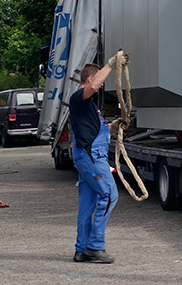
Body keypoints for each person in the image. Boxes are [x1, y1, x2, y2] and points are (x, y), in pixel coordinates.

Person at [69, 52, 127, 264]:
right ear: (91, 78)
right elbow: (93, 87)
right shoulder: (79, 98)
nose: (101, 86)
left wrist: (114, 126)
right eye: (100, 81)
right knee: (109, 195)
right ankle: (95, 247)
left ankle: (81, 249)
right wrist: (111, 64)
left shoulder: (89, 106)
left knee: (88, 205)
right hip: (92, 157)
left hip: (88, 157)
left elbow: (95, 129)